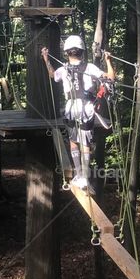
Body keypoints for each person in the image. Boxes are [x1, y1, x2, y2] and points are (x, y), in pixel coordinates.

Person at [42, 34, 115, 190]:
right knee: (85, 142)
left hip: (70, 108)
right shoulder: (90, 68)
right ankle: (84, 176)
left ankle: (79, 174)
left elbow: (52, 75)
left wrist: (46, 59)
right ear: (82, 52)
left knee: (73, 140)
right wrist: (108, 61)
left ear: (67, 52)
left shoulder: (63, 69)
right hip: (86, 108)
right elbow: (110, 78)